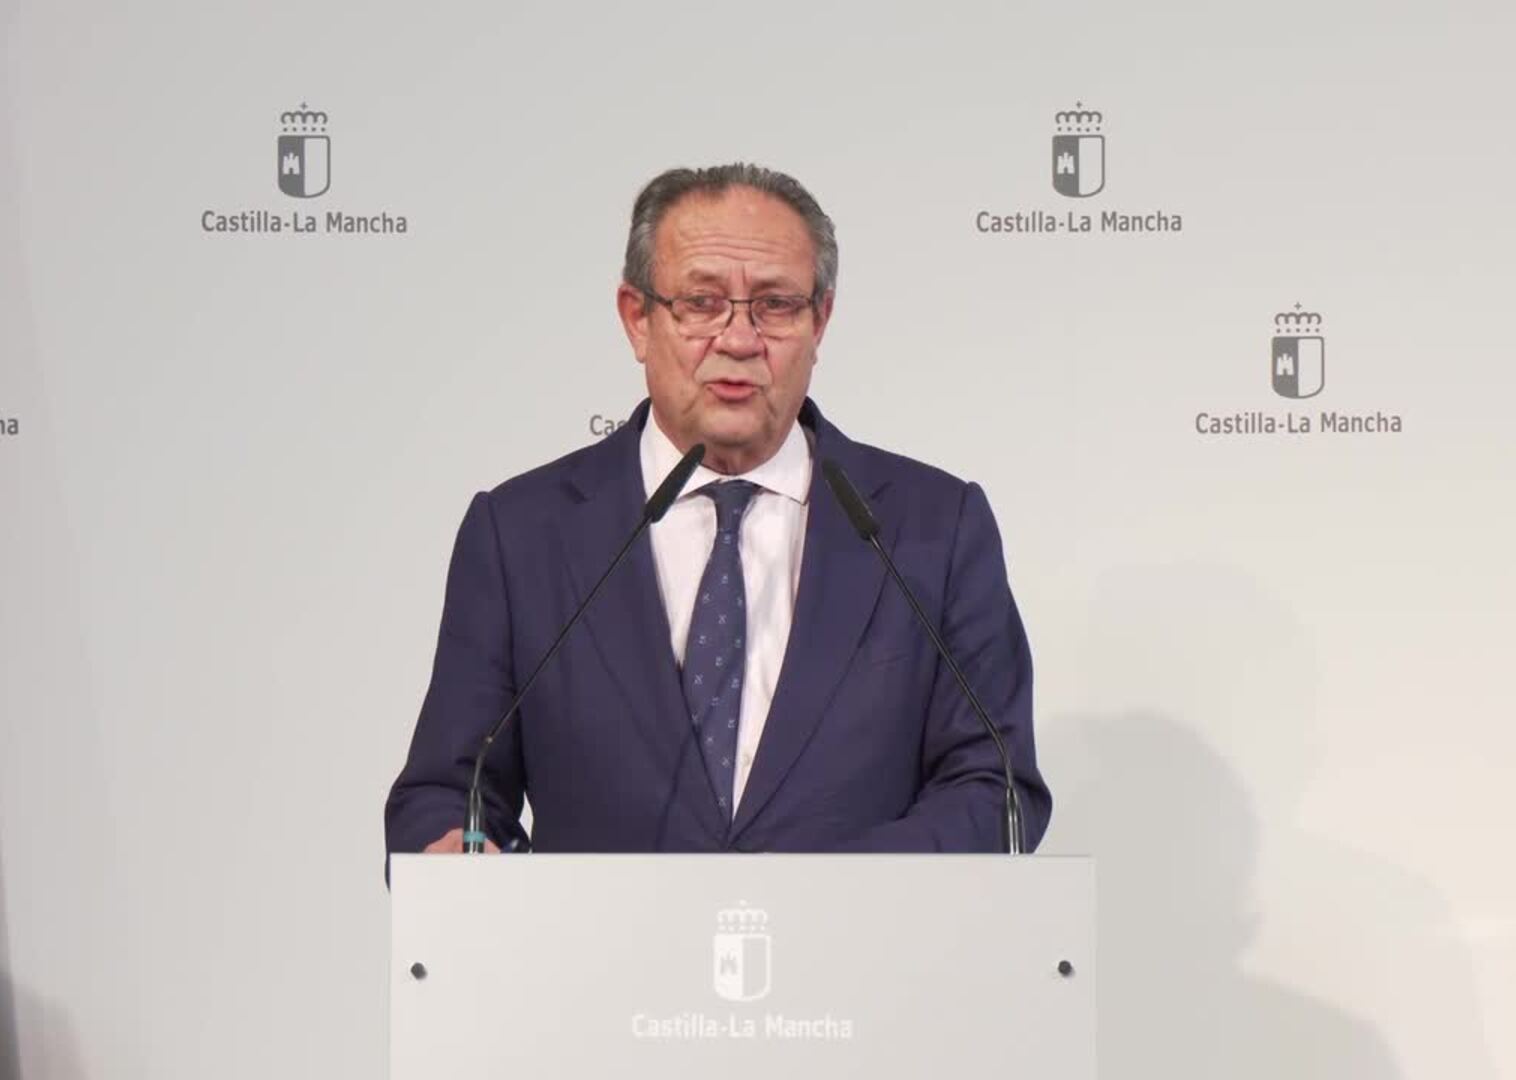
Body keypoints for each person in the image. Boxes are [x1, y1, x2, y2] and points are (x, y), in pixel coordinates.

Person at [384, 163, 1050, 854]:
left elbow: (993, 785)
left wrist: (831, 896)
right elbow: (449, 791)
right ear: (637, 319)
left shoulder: (933, 528)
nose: (738, 340)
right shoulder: (521, 534)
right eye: (701, 303)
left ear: (819, 321)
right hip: (604, 930)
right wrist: (453, 849)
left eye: (775, 305)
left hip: (861, 927)